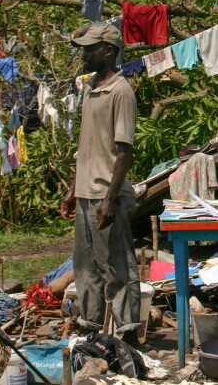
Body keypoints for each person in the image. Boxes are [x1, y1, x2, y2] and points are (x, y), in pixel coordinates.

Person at [60, 23, 141, 347]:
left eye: (90, 48)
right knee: (85, 268)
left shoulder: (120, 91)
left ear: (108, 51)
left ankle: (129, 334)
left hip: (108, 195)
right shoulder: (92, 87)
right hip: (85, 193)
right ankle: (92, 330)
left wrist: (109, 199)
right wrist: (72, 190)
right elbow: (89, 146)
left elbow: (124, 150)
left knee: (117, 268)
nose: (84, 54)